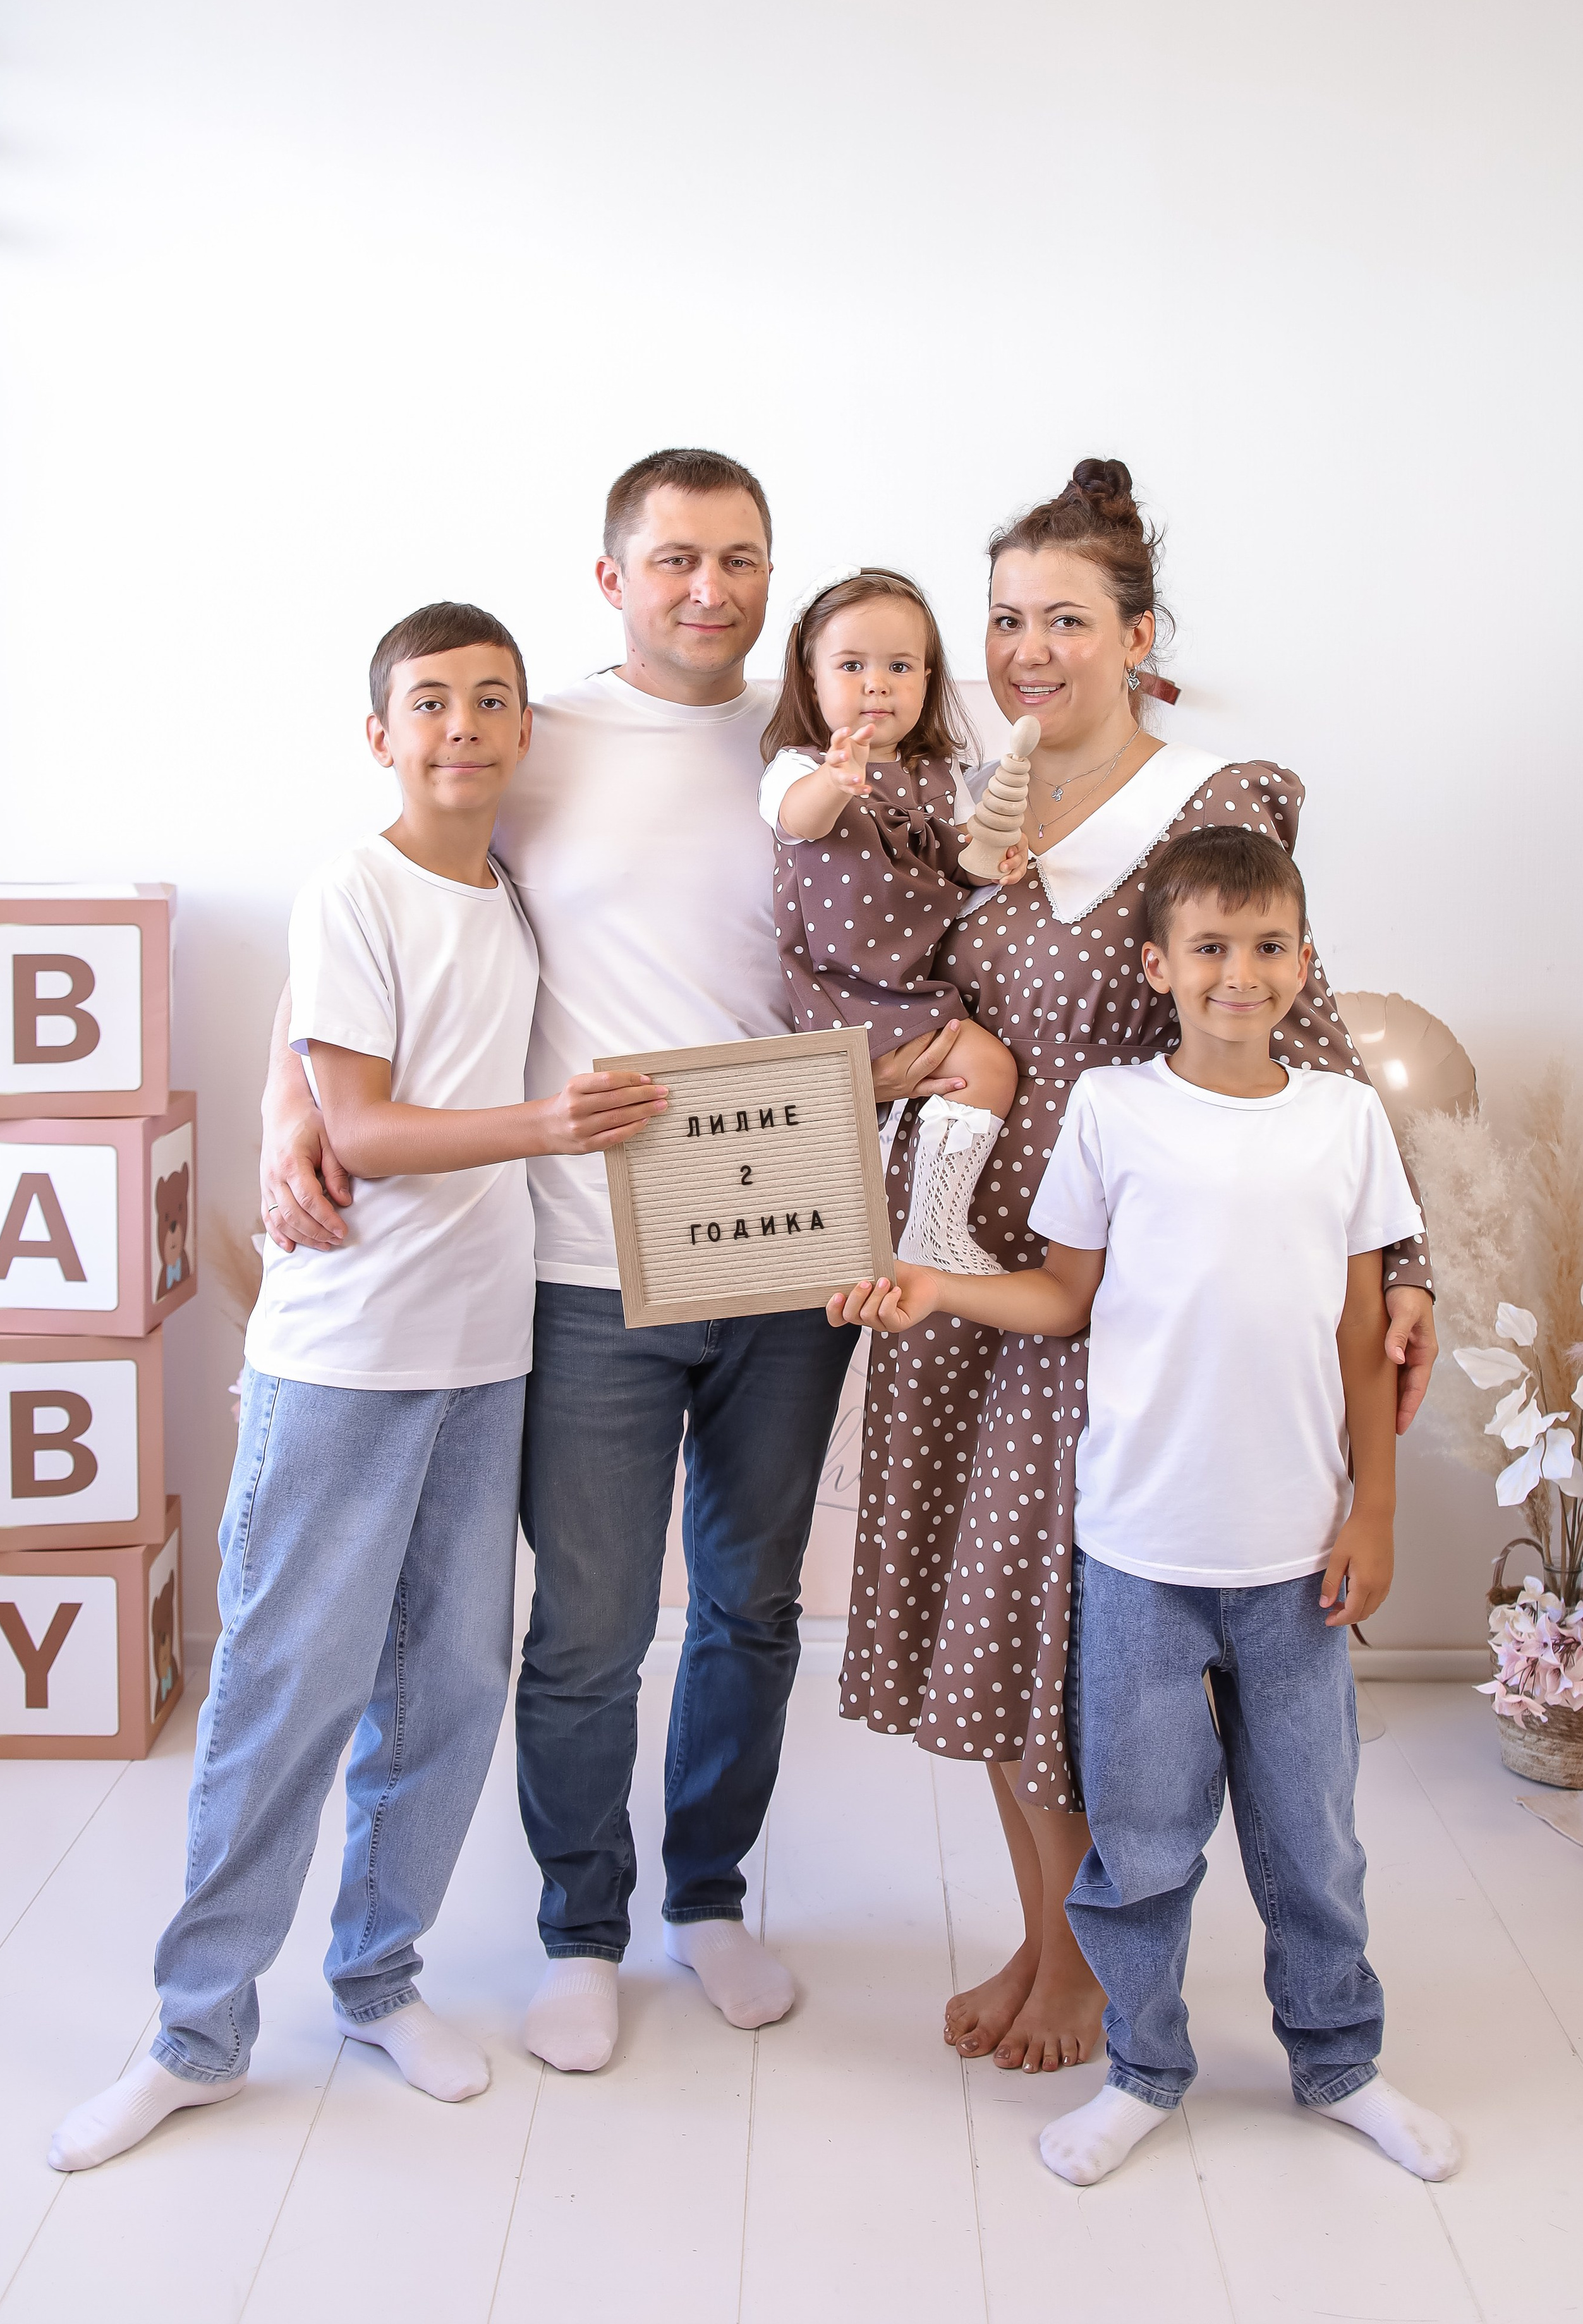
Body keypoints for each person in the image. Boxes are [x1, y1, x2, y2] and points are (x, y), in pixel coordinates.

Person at [834, 460, 1438, 2079]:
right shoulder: (962, 814)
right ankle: (1047, 1940)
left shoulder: (1215, 802)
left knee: (1079, 1639)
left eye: (1067, 619)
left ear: (1139, 635)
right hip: (976, 1273)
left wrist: (1405, 1266)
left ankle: (1094, 1969)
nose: (1029, 649)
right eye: (1007, 618)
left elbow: (1299, 1038)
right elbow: (852, 977)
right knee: (989, 1624)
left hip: (1133, 1297)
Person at [258, 453, 861, 2074]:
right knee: (588, 1621)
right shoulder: (531, 735)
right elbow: (371, 893)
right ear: (612, 577)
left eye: (739, 558)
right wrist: (281, 1111)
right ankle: (579, 1925)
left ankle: (711, 1895)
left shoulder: (815, 735)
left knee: (747, 1606)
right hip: (582, 1256)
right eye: (673, 559)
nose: (709, 589)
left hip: (791, 1238)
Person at [47, 602, 667, 2171]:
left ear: (527, 731)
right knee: (281, 1691)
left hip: (487, 1356)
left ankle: (377, 1974)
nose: (462, 726)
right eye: (429, 703)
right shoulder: (356, 883)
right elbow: (368, 1126)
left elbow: (330, 1070)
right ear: (379, 734)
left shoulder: (518, 896)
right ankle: (196, 2029)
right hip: (344, 1358)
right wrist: (537, 1127)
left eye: (490, 702)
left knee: (451, 1684)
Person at [759, 567, 1026, 1273]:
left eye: (898, 666)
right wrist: (833, 782)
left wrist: (997, 860)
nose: (876, 683)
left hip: (912, 981)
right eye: (852, 666)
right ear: (811, 680)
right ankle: (929, 1235)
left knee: (974, 1074)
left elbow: (964, 858)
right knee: (982, 1066)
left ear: (927, 679)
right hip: (841, 990)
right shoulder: (796, 768)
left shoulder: (941, 775)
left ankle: (927, 1228)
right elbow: (795, 821)